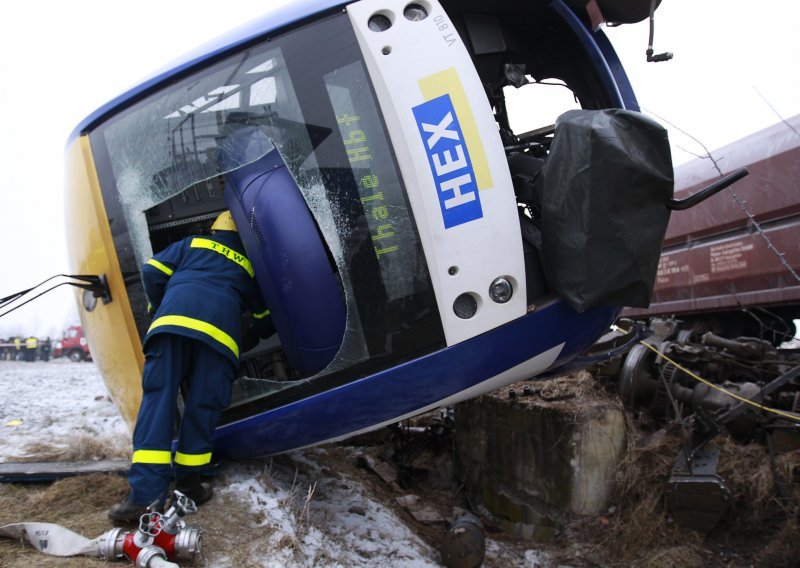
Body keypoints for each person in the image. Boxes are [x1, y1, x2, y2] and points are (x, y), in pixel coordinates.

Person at [109, 211, 273, 523]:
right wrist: (247, 333)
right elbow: (265, 322)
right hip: (220, 340)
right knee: (202, 409)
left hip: (171, 326)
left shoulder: (192, 244)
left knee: (158, 403)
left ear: (214, 230)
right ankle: (188, 486)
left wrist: (162, 304)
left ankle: (144, 498)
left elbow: (151, 270)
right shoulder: (251, 267)